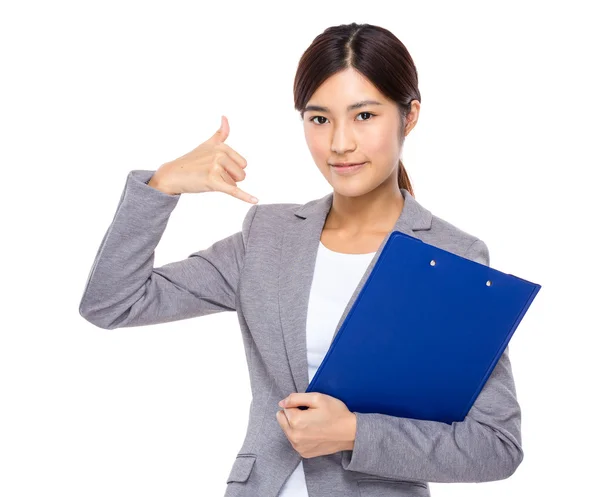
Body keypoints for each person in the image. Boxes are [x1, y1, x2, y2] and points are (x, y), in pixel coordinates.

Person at [79, 22, 523, 497]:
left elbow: (494, 445)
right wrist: (161, 187)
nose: (339, 143)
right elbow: (112, 303)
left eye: (365, 116)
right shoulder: (267, 237)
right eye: (319, 119)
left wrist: (355, 432)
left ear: (409, 116)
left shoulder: (454, 256)